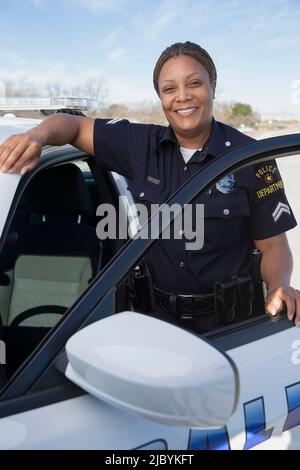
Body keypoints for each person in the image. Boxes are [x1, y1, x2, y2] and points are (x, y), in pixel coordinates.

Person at [0, 41, 299, 332]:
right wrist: (37, 136)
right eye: (169, 89)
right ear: (160, 97)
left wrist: (279, 285)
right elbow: (73, 125)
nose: (182, 97)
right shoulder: (139, 144)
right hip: (155, 323)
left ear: (213, 86)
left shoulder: (249, 157)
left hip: (227, 327)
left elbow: (274, 245)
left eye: (194, 83)